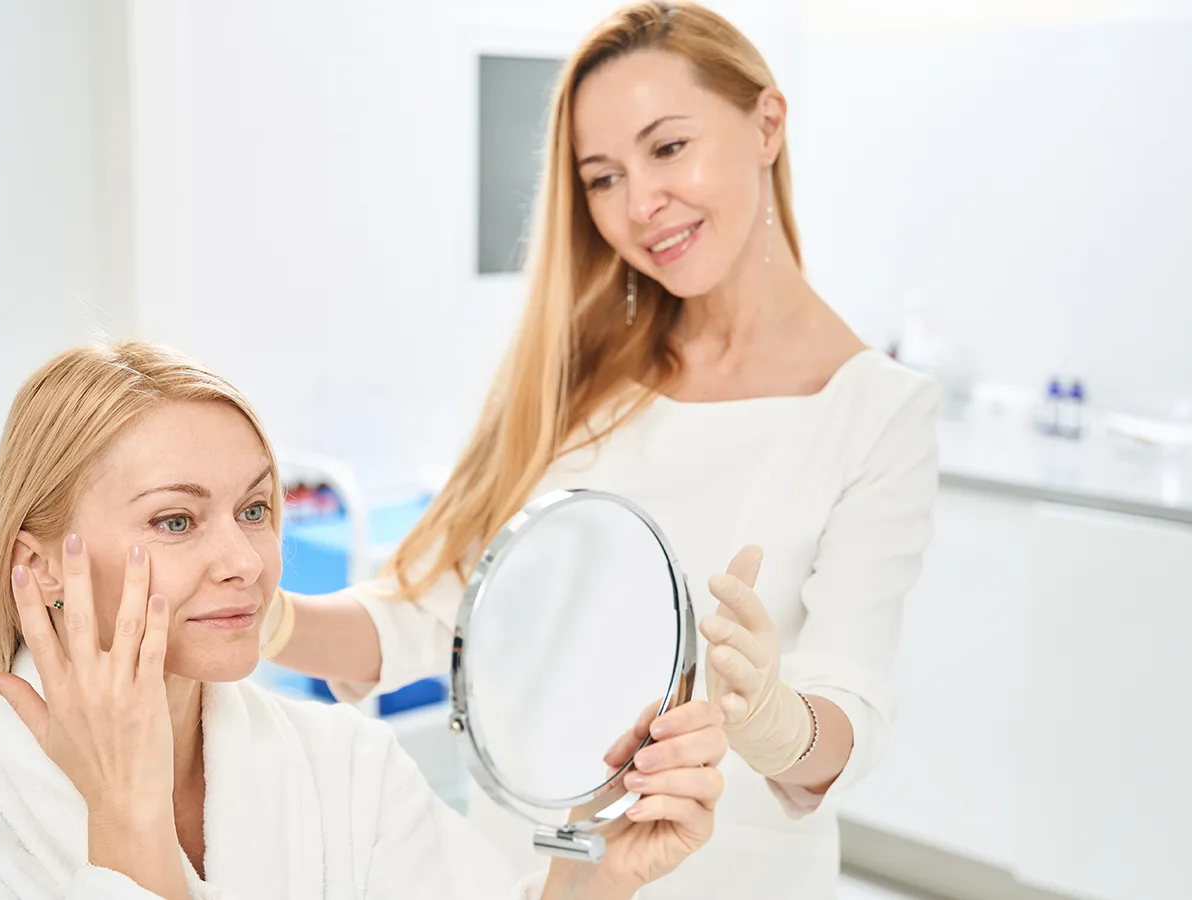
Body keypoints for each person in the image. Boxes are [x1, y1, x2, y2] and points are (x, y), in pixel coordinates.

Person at [265, 2, 940, 897]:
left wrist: (777, 723)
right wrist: (263, 619)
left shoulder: (875, 412)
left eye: (669, 147)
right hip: (528, 872)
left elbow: (849, 707)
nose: (639, 204)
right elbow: (432, 615)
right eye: (602, 177)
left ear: (767, 124)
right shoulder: (578, 370)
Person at [0, 341, 728, 900]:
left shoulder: (344, 766)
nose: (244, 560)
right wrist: (128, 822)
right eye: (176, 521)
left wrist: (594, 880)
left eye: (256, 510)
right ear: (38, 567)